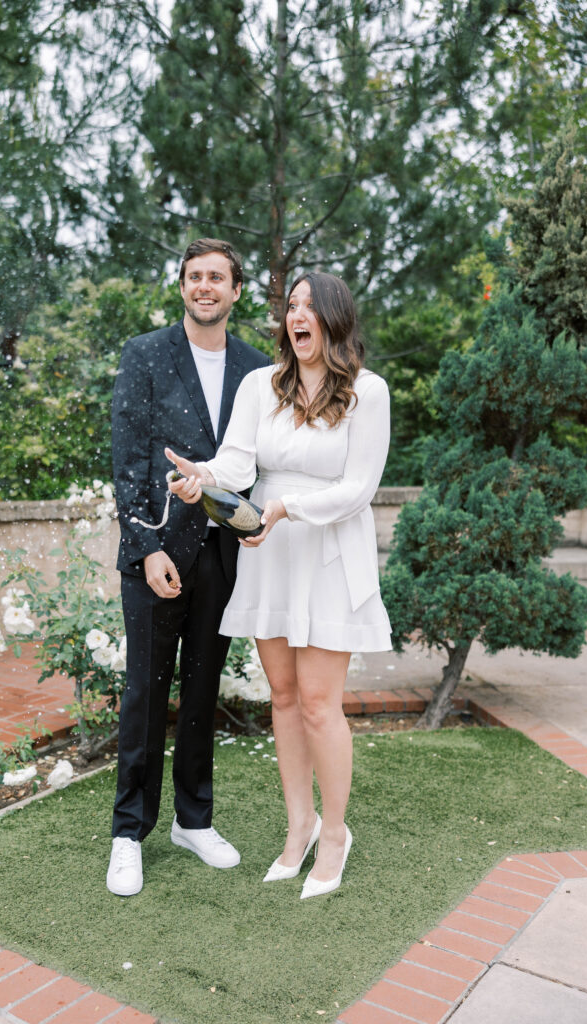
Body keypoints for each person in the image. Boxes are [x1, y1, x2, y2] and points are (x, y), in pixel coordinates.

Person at [167, 271, 391, 899]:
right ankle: (300, 827)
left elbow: (358, 488)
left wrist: (286, 508)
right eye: (290, 306)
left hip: (325, 551)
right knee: (284, 699)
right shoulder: (259, 385)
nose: (296, 316)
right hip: (270, 554)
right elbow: (239, 462)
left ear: (333, 319)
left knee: (321, 704)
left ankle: (337, 833)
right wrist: (201, 478)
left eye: (308, 307)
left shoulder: (367, 392)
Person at [107, 238, 269, 896]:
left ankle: (193, 821)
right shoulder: (145, 354)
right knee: (146, 695)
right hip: (155, 556)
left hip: (223, 556)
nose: (204, 286)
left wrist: (253, 522)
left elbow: (260, 464)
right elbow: (129, 458)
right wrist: (146, 550)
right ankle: (127, 832)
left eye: (217, 278)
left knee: (202, 693)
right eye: (193, 276)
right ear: (182, 286)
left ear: (235, 292)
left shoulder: (258, 371)